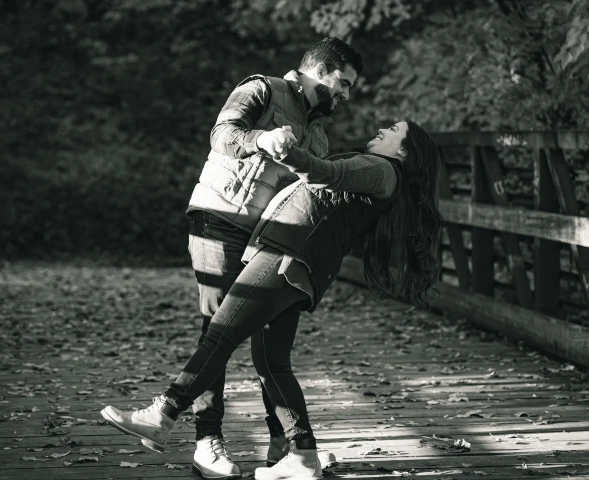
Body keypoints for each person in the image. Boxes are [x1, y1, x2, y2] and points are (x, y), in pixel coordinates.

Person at [102, 121, 444, 480]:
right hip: (299, 267)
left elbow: (325, 171)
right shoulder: (385, 177)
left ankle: (164, 413)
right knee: (271, 361)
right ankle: (302, 456)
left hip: (286, 258)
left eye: (392, 130)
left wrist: (284, 149)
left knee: (220, 334)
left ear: (404, 151)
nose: (381, 130)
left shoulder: (380, 169)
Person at [182, 36, 363, 479]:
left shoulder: (317, 129)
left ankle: (283, 448)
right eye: (342, 82)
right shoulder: (261, 88)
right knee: (219, 334)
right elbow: (222, 135)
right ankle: (207, 442)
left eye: (351, 87)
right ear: (317, 70)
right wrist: (263, 137)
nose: (345, 94)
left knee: (271, 345)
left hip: (270, 243)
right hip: (220, 220)